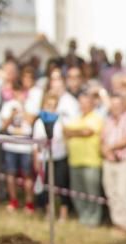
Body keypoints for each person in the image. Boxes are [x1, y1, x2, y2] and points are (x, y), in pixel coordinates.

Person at [101, 93, 126, 232]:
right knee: (111, 192)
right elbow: (103, 139)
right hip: (109, 160)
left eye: (118, 105)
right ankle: (117, 222)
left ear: (123, 105)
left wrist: (111, 147)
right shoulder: (108, 120)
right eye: (113, 105)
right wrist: (106, 151)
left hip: (125, 160)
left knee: (123, 191)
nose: (115, 108)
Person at [64, 90, 105, 227]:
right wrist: (78, 132)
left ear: (92, 104)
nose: (83, 106)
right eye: (81, 103)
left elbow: (87, 132)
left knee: (92, 193)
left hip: (91, 161)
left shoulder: (96, 118)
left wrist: (73, 132)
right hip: (74, 161)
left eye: (86, 103)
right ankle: (83, 216)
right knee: (77, 192)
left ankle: (93, 219)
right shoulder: (76, 118)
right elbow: (65, 131)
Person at [33, 92, 71, 222]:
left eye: (54, 106)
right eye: (49, 105)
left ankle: (63, 214)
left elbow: (66, 138)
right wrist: (36, 159)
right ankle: (49, 212)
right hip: (44, 159)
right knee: (46, 187)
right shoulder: (38, 122)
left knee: (61, 186)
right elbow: (36, 144)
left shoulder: (61, 121)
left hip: (59, 157)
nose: (51, 108)